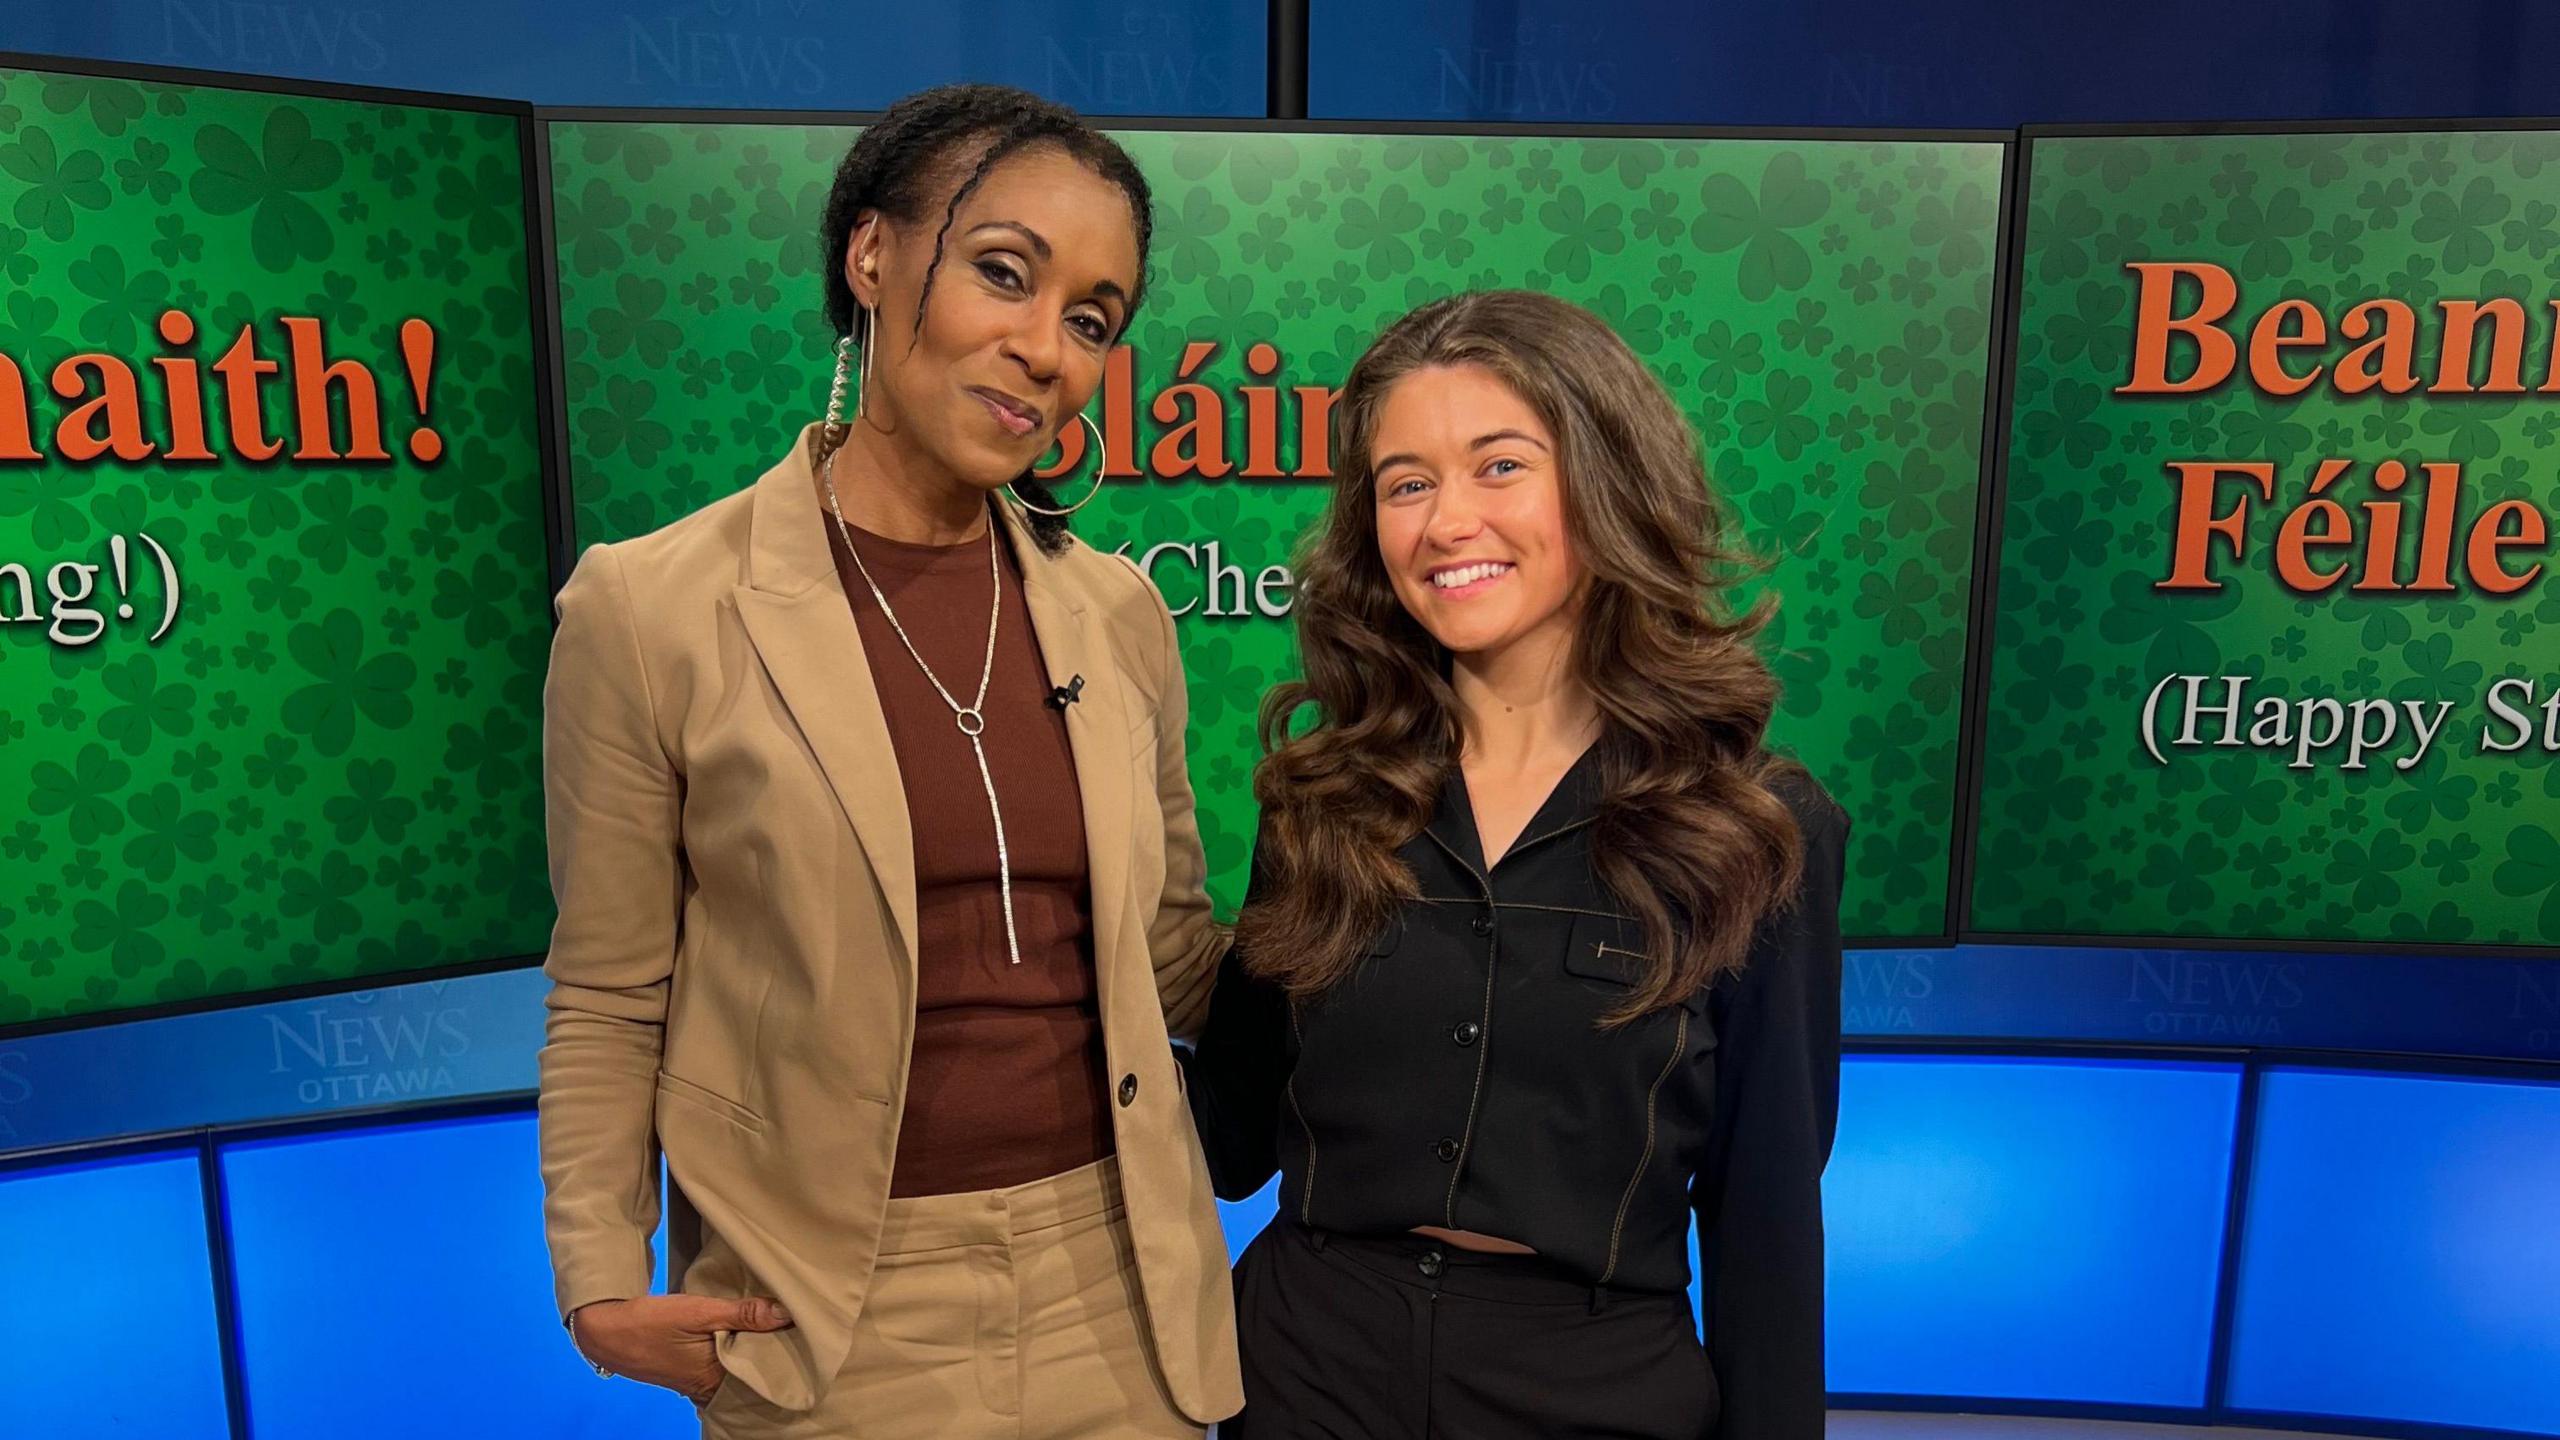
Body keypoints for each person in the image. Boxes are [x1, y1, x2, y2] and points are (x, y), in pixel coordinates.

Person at [537, 84, 1240, 1439]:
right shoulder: (651, 607)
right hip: (827, 1314)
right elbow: (612, 988)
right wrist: (597, 1282)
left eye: (1092, 321)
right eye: (1003, 274)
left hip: (1124, 1292)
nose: (1046, 350)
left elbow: (1171, 953)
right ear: (872, 259)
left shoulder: (1119, 613)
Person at [1186, 290, 1849, 1440]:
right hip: (1304, 1373)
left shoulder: (1755, 825)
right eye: (1406, 483)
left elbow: (1766, 1221)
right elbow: (1227, 1133)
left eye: (1499, 466)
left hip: (1596, 1387)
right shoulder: (1320, 799)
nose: (1447, 522)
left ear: (1606, 480)